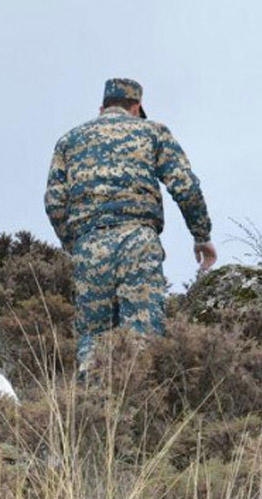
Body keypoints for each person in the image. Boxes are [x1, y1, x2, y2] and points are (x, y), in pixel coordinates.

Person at [44, 78, 217, 372]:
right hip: (138, 239)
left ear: (102, 108)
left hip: (90, 243)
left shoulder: (69, 141)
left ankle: (92, 410)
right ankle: (141, 408)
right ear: (136, 107)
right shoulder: (152, 132)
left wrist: (76, 245)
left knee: (94, 338)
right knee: (143, 333)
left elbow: (54, 201)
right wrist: (201, 235)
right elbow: (185, 186)